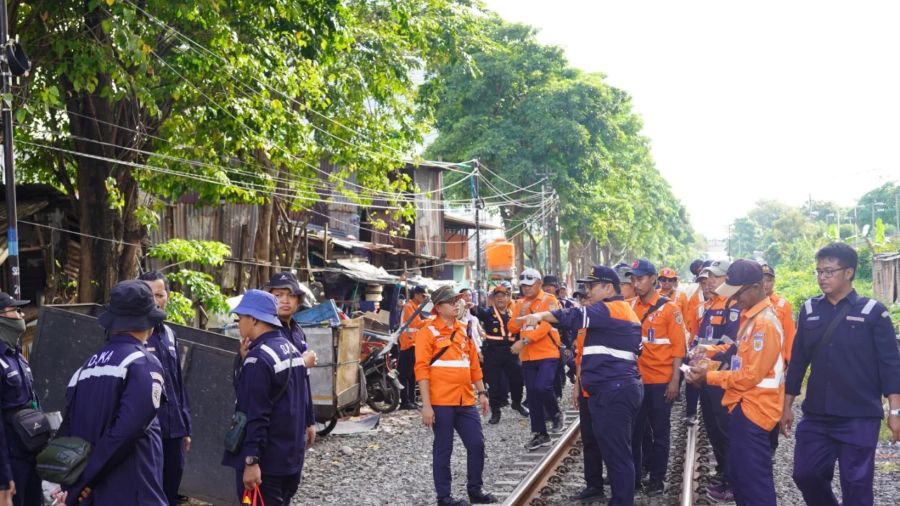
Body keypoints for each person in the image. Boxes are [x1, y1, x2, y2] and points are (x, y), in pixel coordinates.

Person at [781, 242, 900, 506]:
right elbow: (798, 360)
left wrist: (895, 412)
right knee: (805, 474)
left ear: (849, 272)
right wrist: (787, 406)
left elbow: (891, 365)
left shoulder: (873, 312)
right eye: (819, 271)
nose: (822, 277)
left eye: (829, 271)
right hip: (817, 416)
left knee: (856, 485)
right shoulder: (810, 311)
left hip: (859, 417)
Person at [519, 265, 642, 505]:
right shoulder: (620, 310)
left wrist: (541, 315)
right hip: (613, 388)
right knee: (614, 450)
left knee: (617, 454)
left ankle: (622, 501)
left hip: (613, 390)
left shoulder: (610, 309)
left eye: (592, 286)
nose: (588, 291)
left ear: (609, 287)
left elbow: (573, 316)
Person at [58, 280, 167, 505]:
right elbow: (125, 432)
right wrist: (86, 478)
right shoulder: (143, 363)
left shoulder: (84, 368)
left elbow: (67, 431)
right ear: (147, 322)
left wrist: (76, 483)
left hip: (90, 495)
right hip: (133, 491)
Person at [686, 259, 785, 506]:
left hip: (757, 411)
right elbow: (737, 353)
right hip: (744, 406)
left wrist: (708, 376)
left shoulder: (763, 324)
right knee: (742, 478)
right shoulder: (751, 318)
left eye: (738, 293)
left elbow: (749, 375)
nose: (734, 299)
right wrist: (709, 352)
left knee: (754, 482)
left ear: (755, 287)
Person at [223, 290, 309, 506]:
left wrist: (251, 460)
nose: (239, 323)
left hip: (265, 465)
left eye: (240, 318)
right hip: (290, 460)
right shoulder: (291, 350)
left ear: (253, 319)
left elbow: (255, 414)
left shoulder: (259, 358)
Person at [415, 286, 497, 506]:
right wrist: (426, 406)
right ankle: (444, 497)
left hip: (465, 399)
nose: (456, 304)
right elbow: (421, 370)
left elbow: (473, 365)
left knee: (477, 443)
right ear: (438, 307)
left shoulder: (464, 329)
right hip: (441, 402)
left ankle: (475, 489)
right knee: (444, 448)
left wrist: (482, 392)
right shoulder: (428, 331)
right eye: (451, 301)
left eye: (457, 300)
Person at [628, 259, 685, 496]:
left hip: (661, 381)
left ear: (653, 279)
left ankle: (657, 480)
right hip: (636, 380)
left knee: (660, 432)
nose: (636, 283)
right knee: (635, 432)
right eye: (633, 279)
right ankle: (635, 477)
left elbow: (679, 349)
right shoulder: (630, 306)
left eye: (640, 278)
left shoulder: (670, 309)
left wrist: (674, 381)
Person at [138, 272, 193, 506]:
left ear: (167, 297)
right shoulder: (134, 333)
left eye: (159, 294)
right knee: (150, 493)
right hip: (149, 431)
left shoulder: (170, 334)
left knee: (171, 491)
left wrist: (186, 427)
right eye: (148, 295)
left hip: (175, 430)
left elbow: (178, 382)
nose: (154, 300)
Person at [693, 259, 741, 501]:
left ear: (728, 280)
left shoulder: (732, 305)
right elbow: (704, 339)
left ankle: (733, 480)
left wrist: (709, 360)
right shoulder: (709, 305)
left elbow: (731, 344)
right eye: (705, 278)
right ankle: (724, 471)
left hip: (720, 377)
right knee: (713, 428)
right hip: (708, 377)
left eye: (715, 276)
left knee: (725, 430)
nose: (709, 281)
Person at [507, 268, 563, 451]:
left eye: (529, 285)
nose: (526, 289)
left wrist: (524, 341)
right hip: (529, 356)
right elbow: (511, 327)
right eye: (523, 286)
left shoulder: (550, 300)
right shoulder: (519, 303)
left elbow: (546, 326)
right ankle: (540, 433)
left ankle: (555, 414)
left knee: (542, 386)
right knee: (532, 395)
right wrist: (520, 314)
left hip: (547, 353)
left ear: (539, 283)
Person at [263, 272, 318, 449]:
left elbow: (305, 381)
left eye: (291, 295)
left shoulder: (297, 331)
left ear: (298, 301)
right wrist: (300, 363)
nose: (285, 300)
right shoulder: (265, 332)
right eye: (278, 295)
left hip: (297, 419)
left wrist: (310, 421)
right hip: (275, 422)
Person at [0, 293, 40, 506]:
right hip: (11, 464)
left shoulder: (18, 357)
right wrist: (3, 479)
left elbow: (34, 404)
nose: (21, 315)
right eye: (14, 311)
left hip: (31, 456)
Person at [470, 282, 528, 424]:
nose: (500, 299)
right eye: (497, 296)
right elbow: (476, 311)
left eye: (503, 296)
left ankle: (516, 402)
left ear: (508, 298)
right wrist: (470, 307)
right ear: (493, 299)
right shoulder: (488, 313)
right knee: (494, 383)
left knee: (517, 380)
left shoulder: (513, 314)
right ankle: (495, 412)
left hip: (510, 351)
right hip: (493, 352)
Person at [399, 286, 429, 410]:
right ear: (416, 295)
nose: (424, 298)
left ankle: (411, 400)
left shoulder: (415, 307)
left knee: (412, 375)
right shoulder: (408, 307)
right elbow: (416, 323)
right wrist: (431, 321)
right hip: (407, 344)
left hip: (414, 344)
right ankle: (405, 401)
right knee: (405, 375)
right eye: (423, 296)